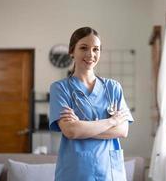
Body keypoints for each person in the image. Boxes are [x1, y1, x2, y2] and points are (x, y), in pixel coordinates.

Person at [49, 26, 134, 181]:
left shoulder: (113, 88)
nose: (91, 54)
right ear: (71, 52)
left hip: (109, 172)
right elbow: (70, 131)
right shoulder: (60, 88)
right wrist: (111, 121)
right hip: (75, 171)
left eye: (96, 49)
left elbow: (123, 130)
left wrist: (82, 127)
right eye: (84, 48)